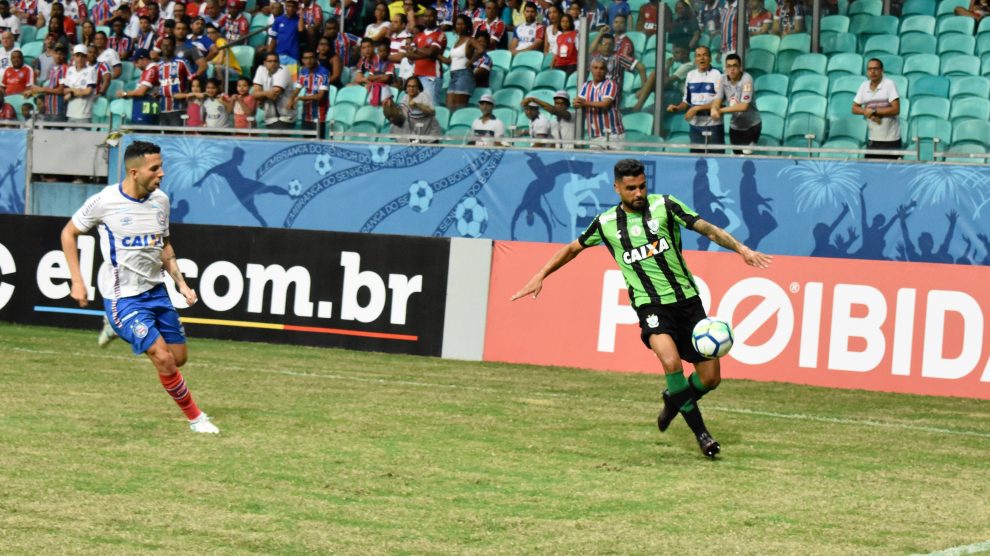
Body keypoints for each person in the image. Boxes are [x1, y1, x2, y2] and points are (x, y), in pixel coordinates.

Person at [510, 158, 773, 458]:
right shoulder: (607, 223)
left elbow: (707, 229)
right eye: (631, 188)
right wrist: (540, 275)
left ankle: (673, 399)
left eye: (642, 186)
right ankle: (703, 435)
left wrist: (742, 249)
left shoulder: (666, 205)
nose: (638, 193)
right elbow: (572, 249)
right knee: (671, 362)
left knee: (711, 378)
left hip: (687, 302)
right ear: (617, 188)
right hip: (650, 307)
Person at [61, 141, 220, 434]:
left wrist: (181, 284)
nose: (162, 174)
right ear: (134, 172)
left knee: (178, 358)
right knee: (162, 359)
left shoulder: (161, 201)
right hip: (124, 297)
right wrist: (77, 280)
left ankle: (112, 327)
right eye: (155, 168)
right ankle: (197, 419)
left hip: (156, 291)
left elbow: (165, 245)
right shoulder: (104, 202)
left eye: (162, 167)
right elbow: (68, 232)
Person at [666, 46, 722, 152]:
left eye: (705, 55)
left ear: (710, 58)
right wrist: (677, 108)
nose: (702, 58)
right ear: (695, 59)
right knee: (697, 160)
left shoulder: (717, 74)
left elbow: (718, 102)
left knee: (716, 160)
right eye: (698, 56)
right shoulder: (691, 75)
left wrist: (696, 109)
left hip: (713, 125)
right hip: (695, 126)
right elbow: (686, 101)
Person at [711, 52, 761, 154]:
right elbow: (718, 99)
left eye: (735, 66)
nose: (732, 69)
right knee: (737, 157)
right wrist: (714, 108)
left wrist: (720, 110)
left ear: (740, 67)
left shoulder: (747, 79)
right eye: (729, 66)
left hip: (752, 126)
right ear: (725, 68)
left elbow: (743, 106)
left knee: (746, 154)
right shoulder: (722, 78)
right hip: (735, 126)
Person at [853, 58, 901, 159]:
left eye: (875, 69)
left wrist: (874, 111)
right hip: (873, 139)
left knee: (892, 173)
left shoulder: (889, 84)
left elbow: (896, 109)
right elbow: (854, 108)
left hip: (891, 140)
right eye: (870, 69)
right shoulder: (864, 86)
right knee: (871, 172)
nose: (872, 71)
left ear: (882, 70)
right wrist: (867, 112)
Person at [575, 57, 624, 147]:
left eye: (601, 68)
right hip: (595, 135)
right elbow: (577, 103)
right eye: (595, 68)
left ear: (606, 71)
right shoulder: (586, 85)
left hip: (613, 134)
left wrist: (584, 103)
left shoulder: (611, 84)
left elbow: (605, 103)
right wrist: (577, 102)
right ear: (590, 69)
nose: (598, 71)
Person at [442, 13, 482, 110]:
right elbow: (448, 61)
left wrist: (471, 62)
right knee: (449, 107)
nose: (460, 26)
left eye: (462, 24)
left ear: (467, 25)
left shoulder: (470, 40)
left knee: (458, 109)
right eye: (457, 24)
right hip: (453, 76)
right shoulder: (456, 41)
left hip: (464, 74)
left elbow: (480, 50)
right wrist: (435, 54)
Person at [252, 51, 295, 129]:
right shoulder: (261, 69)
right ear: (265, 63)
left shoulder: (284, 70)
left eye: (275, 61)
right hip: (269, 116)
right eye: (270, 61)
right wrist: (264, 94)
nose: (273, 63)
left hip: (285, 116)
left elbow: (273, 96)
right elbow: (255, 95)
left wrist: (261, 96)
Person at [25, 43, 67, 122]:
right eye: (55, 53)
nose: (57, 56)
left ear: (64, 56)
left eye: (60, 54)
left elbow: (61, 90)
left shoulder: (64, 69)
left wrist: (42, 89)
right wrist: (32, 91)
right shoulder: (52, 70)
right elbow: (49, 88)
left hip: (58, 110)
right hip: (49, 109)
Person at [293, 49, 329, 136]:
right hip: (306, 115)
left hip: (319, 115)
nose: (308, 60)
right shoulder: (303, 71)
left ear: (316, 58)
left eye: (311, 58)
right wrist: (291, 99)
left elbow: (320, 96)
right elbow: (297, 88)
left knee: (319, 144)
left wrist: (299, 98)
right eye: (306, 58)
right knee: (306, 143)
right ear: (302, 60)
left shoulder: (324, 73)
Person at [63, 43, 96, 123]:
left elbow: (87, 91)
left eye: (82, 56)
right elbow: (65, 90)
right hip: (70, 113)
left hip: (84, 114)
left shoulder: (91, 70)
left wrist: (71, 93)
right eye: (77, 56)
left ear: (86, 57)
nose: (80, 58)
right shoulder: (70, 70)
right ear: (73, 57)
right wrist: (78, 91)